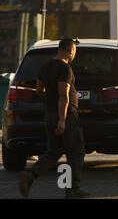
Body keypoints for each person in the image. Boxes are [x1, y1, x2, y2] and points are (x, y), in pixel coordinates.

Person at [19, 38, 90, 199]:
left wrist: (49, 103)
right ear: (70, 50)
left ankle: (31, 175)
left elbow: (38, 90)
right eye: (74, 52)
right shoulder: (65, 69)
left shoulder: (45, 66)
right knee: (76, 152)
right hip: (66, 117)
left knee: (54, 151)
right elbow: (63, 96)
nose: (74, 55)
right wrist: (62, 120)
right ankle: (73, 189)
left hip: (49, 115)